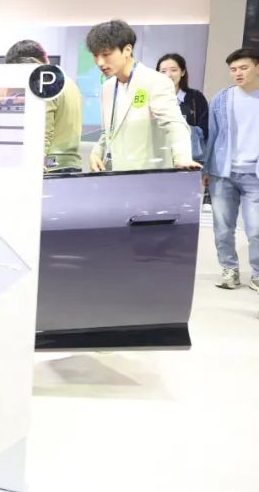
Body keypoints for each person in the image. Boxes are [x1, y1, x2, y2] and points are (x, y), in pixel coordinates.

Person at [86, 20, 197, 173]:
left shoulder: (156, 81)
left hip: (145, 175)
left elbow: (174, 123)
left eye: (106, 54)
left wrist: (182, 157)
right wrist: (96, 152)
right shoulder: (107, 87)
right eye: (95, 55)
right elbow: (108, 131)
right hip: (112, 173)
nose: (99, 62)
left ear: (127, 50)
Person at [203, 47, 259, 291]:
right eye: (233, 69)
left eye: (244, 68)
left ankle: (257, 273)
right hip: (223, 173)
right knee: (223, 228)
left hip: (255, 175)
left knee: (255, 229)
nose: (238, 73)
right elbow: (212, 135)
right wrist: (206, 168)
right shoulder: (222, 99)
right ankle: (229, 270)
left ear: (257, 67)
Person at [5, 39, 82, 172]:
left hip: (49, 167)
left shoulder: (45, 84)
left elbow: (44, 130)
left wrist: (35, 162)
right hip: (71, 164)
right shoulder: (67, 82)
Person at [157, 53, 209, 162]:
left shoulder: (196, 97)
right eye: (163, 71)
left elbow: (205, 131)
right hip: (159, 159)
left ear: (183, 72)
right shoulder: (153, 98)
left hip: (189, 159)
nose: (168, 75)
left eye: (174, 70)